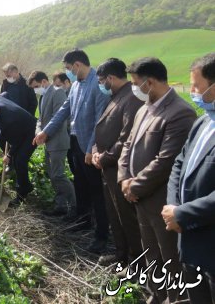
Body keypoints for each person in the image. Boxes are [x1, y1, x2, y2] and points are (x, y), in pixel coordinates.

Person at [118, 57, 196, 304]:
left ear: (149, 82)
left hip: (160, 198)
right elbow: (128, 145)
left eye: (136, 83)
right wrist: (123, 179)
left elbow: (167, 160)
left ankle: (174, 298)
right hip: (139, 197)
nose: (134, 89)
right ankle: (157, 294)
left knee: (169, 254)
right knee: (150, 251)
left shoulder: (180, 113)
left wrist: (135, 185)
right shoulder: (144, 108)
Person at [33, 49, 110, 254]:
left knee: (96, 190)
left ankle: (102, 234)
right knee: (81, 184)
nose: (67, 73)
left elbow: (99, 120)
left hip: (89, 146)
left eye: (68, 69)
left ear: (77, 65)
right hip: (75, 141)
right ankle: (84, 220)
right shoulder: (75, 85)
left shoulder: (97, 85)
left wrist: (91, 147)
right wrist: (45, 132)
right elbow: (64, 111)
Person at [164, 53, 215, 303]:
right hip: (189, 239)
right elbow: (179, 164)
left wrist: (182, 214)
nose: (191, 91)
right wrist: (174, 208)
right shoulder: (203, 122)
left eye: (196, 86)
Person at [91, 58, 144, 267]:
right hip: (107, 166)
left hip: (121, 168)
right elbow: (102, 128)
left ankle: (136, 261)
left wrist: (104, 157)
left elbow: (126, 137)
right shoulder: (115, 96)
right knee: (115, 215)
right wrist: (96, 150)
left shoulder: (131, 98)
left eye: (102, 80)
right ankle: (121, 254)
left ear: (111, 78)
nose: (101, 85)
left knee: (127, 218)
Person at [28, 70, 76, 218]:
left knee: (59, 175)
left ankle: (75, 206)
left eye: (36, 86)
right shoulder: (42, 97)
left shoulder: (57, 93)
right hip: (48, 142)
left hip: (58, 141)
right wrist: (38, 132)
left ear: (43, 81)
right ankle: (61, 205)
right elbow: (40, 119)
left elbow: (59, 118)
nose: (36, 90)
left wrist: (45, 134)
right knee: (52, 175)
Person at [0, 96, 37, 205]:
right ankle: (12, 164)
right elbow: (2, 95)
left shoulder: (8, 121)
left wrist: (9, 155)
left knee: (20, 160)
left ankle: (23, 191)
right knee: (0, 137)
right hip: (18, 127)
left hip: (31, 132)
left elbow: (17, 142)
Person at [53, 71, 75, 175]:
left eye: (58, 85)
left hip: (74, 134)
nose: (57, 88)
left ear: (66, 82)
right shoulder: (61, 94)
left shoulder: (74, 93)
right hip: (66, 133)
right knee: (72, 162)